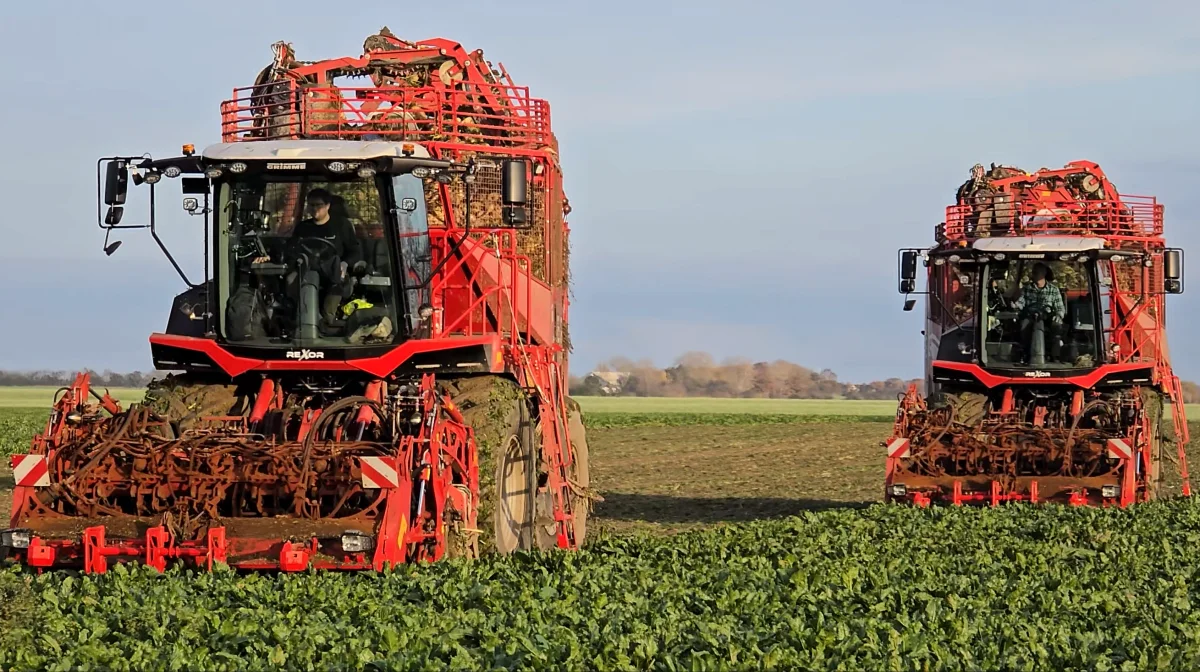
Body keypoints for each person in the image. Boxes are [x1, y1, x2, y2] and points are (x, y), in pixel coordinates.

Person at [1008, 262, 1066, 362]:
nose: (1033, 274)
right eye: (1033, 272)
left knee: (1056, 326)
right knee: (1023, 326)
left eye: (1035, 272)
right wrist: (1015, 304)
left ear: (1043, 273)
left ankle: (1055, 356)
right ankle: (1026, 354)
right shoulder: (1027, 289)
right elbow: (1021, 303)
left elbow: (1060, 308)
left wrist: (1058, 315)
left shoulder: (1054, 290)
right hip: (1031, 317)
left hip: (1047, 317)